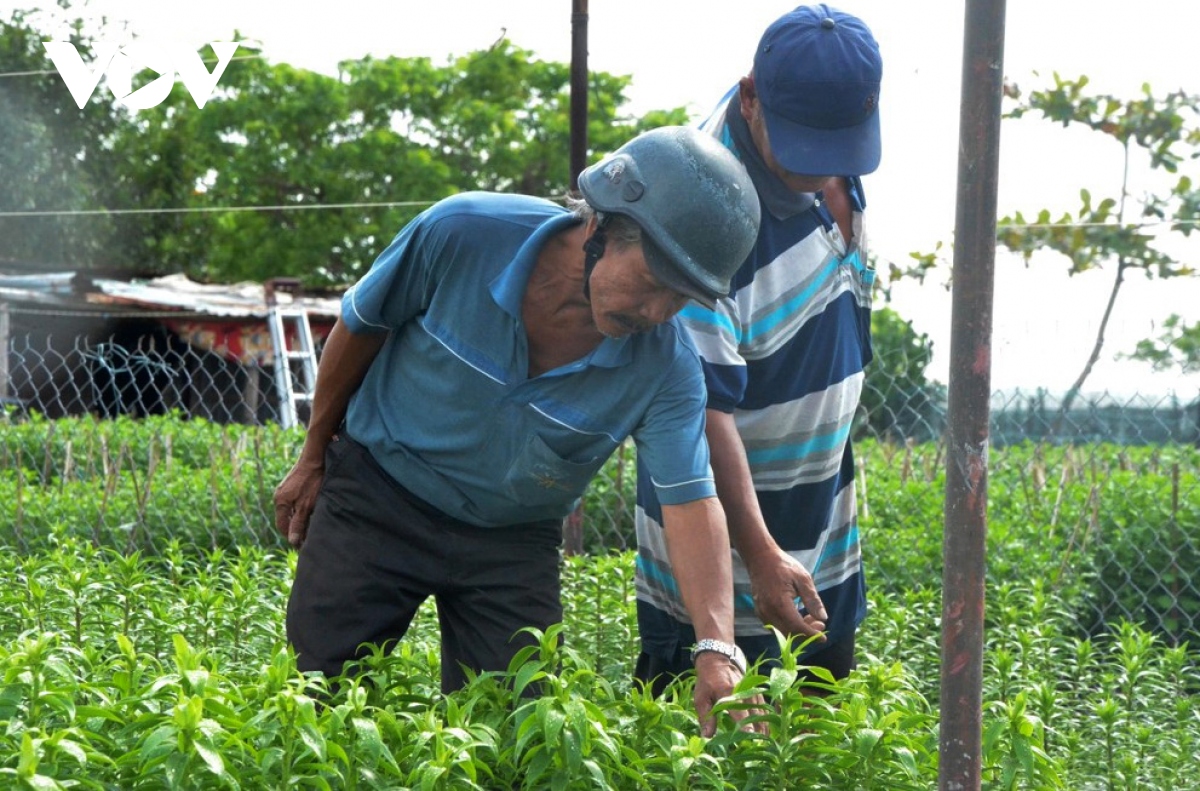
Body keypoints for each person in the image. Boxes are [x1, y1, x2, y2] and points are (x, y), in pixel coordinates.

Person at [273, 125, 763, 735]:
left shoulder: (666, 370)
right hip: (378, 494)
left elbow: (691, 503)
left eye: (682, 297)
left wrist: (718, 648)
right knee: (314, 704)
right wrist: (314, 454)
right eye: (655, 282)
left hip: (510, 540)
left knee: (516, 734)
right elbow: (360, 326)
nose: (658, 313)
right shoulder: (461, 233)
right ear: (603, 228)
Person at [634, 4, 883, 693]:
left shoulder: (838, 161)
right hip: (717, 553)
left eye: (842, 147)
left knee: (819, 741)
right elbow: (700, 413)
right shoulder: (705, 199)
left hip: (822, 529)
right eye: (806, 147)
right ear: (751, 96)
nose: (825, 169)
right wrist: (762, 554)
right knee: (707, 747)